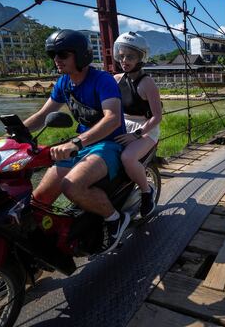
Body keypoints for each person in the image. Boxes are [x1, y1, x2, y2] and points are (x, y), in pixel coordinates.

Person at [23, 29, 129, 253]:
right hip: (81, 144)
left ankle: (114, 218)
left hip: (107, 144)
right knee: (38, 199)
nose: (56, 60)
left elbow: (112, 119)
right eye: (53, 54)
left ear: (80, 55)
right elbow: (42, 116)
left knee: (71, 186)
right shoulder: (63, 83)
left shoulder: (103, 80)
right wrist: (11, 135)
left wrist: (76, 143)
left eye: (62, 54)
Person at [113, 32, 162, 218]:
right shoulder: (117, 79)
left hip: (146, 128)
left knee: (127, 158)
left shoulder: (147, 83)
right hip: (123, 124)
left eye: (130, 56)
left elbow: (157, 116)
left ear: (141, 58)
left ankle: (146, 192)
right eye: (122, 55)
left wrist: (137, 134)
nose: (124, 60)